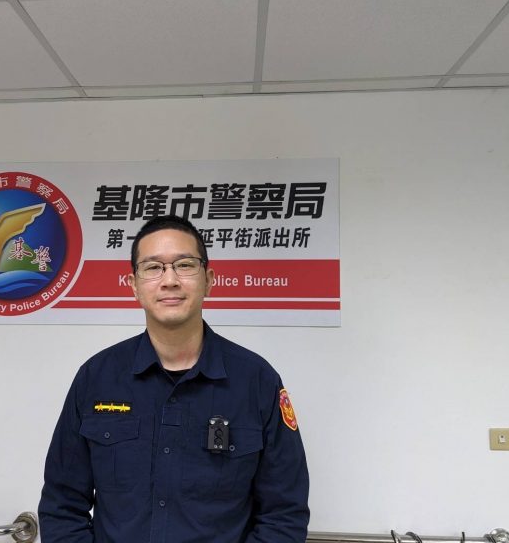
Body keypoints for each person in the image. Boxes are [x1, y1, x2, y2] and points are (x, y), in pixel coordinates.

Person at [38, 214, 310, 543]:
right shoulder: (97, 377)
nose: (169, 280)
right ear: (134, 284)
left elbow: (284, 515)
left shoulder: (257, 381)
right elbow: (62, 506)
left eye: (184, 265)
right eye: (153, 267)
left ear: (209, 279)